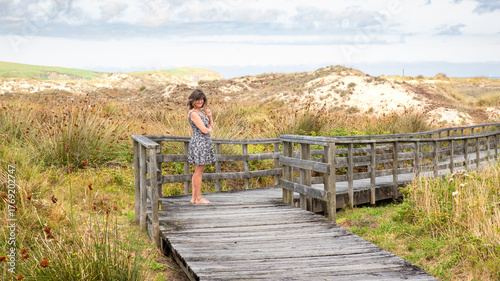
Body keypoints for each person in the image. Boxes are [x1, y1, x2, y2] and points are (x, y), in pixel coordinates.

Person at [187, 89, 215, 204]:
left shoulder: (201, 112)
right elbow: (204, 130)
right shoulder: (193, 113)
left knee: (199, 170)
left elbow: (210, 125)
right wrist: (209, 129)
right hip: (199, 143)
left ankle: (194, 198)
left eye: (202, 99)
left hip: (204, 142)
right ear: (193, 100)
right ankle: (198, 198)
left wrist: (209, 116)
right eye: (198, 99)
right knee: (199, 171)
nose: (200, 101)